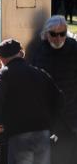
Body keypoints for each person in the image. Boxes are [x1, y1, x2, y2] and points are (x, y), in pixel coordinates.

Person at [0, 39, 63, 164]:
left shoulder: (2, 74)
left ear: (2, 58)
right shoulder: (39, 73)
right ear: (20, 53)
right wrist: (50, 124)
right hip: (42, 133)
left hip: (18, 134)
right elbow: (59, 99)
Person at [32, 15, 77, 164]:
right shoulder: (39, 51)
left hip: (71, 118)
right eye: (53, 34)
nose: (58, 38)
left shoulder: (74, 48)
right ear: (46, 34)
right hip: (48, 119)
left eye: (62, 34)